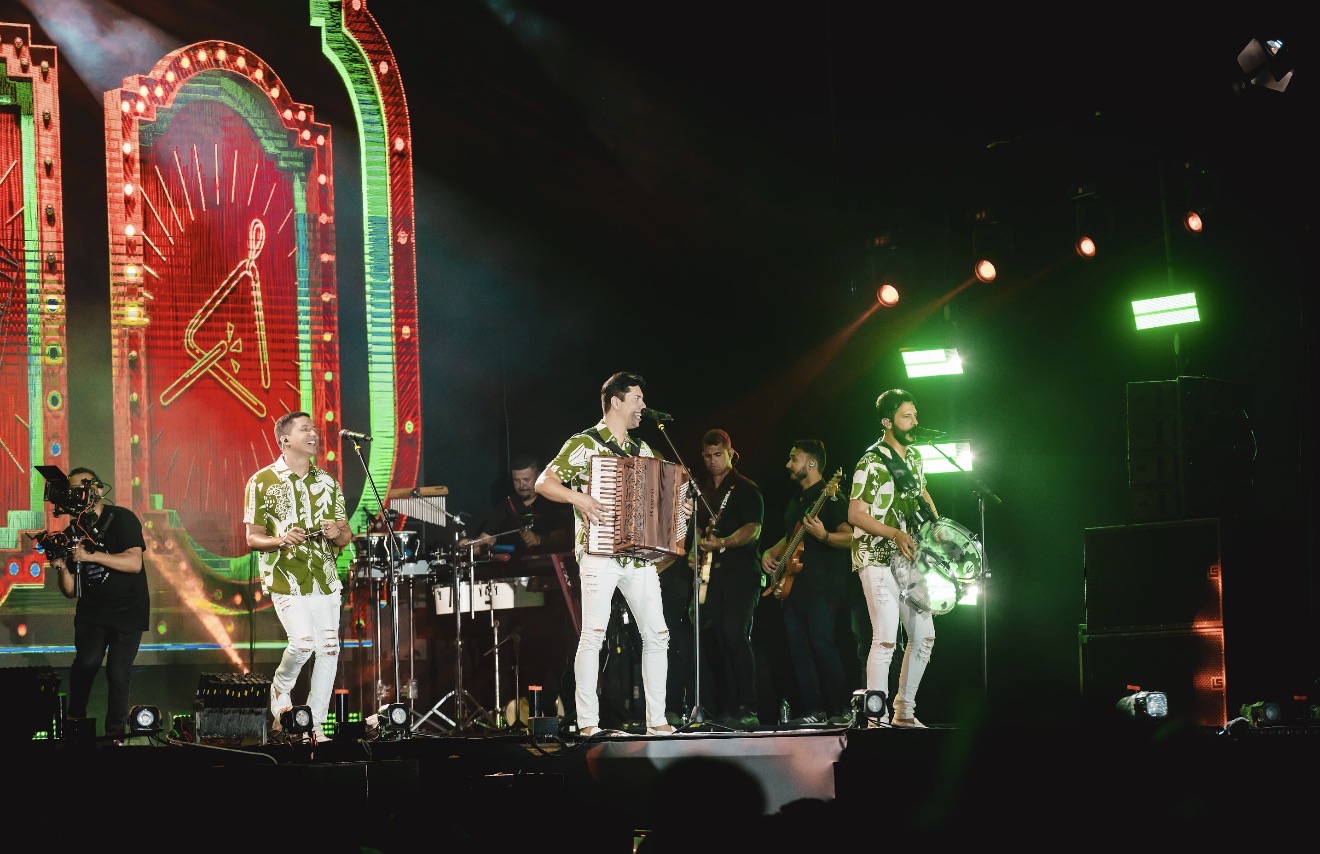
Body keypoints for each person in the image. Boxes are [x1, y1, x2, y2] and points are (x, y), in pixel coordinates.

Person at [535, 370, 685, 737]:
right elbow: (544, 482)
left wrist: (678, 510)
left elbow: (658, 499)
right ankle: (588, 723)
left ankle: (657, 721)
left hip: (638, 556)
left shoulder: (642, 449)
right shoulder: (584, 443)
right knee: (594, 634)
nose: (643, 406)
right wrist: (579, 498)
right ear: (616, 401)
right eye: (637, 399)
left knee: (658, 634)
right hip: (599, 552)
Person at [244, 410, 353, 744]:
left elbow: (346, 534)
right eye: (305, 429)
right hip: (285, 577)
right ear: (285, 439)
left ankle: (314, 726)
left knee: (329, 649)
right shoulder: (262, 481)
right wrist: (281, 539)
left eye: (314, 429)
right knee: (303, 643)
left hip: (325, 577)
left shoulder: (328, 482)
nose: (314, 434)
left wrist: (336, 533)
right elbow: (252, 538)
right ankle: (280, 689)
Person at [848, 388, 938, 728]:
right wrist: (894, 534)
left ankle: (904, 710)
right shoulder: (870, 462)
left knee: (924, 635)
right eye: (906, 416)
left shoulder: (914, 458)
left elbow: (922, 492)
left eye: (915, 415)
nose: (914, 421)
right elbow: (855, 514)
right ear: (887, 422)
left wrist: (937, 527)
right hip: (875, 557)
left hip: (908, 558)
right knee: (885, 638)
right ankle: (877, 717)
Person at [759, 440, 852, 726]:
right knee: (798, 650)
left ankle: (841, 708)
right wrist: (769, 553)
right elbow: (792, 536)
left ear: (811, 463)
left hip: (823, 587)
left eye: (793, 458)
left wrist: (824, 536)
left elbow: (850, 537)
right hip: (794, 587)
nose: (788, 464)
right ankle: (813, 709)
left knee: (823, 645)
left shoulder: (832, 498)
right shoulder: (796, 501)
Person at [51, 467, 148, 738]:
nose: (78, 493)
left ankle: (114, 737)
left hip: (128, 611)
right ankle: (75, 721)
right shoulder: (73, 530)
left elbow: (134, 562)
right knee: (87, 662)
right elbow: (70, 590)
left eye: (83, 486)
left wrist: (91, 556)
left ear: (99, 488)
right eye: (73, 489)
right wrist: (61, 566)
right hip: (92, 613)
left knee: (118, 672)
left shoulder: (121, 518)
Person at [684, 428, 763, 729]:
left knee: (734, 634)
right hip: (710, 576)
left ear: (730, 453)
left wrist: (724, 542)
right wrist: (693, 552)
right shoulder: (702, 492)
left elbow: (753, 529)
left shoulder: (745, 488)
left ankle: (749, 705)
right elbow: (696, 529)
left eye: (718, 454)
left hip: (740, 574)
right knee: (714, 639)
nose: (713, 461)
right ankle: (723, 706)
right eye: (707, 456)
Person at [458, 453, 573, 556]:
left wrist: (539, 540)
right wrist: (472, 543)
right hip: (514, 566)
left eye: (526, 480)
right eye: (516, 480)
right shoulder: (507, 504)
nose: (522, 485)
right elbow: (485, 537)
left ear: (538, 476)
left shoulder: (551, 501)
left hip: (546, 565)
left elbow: (562, 538)